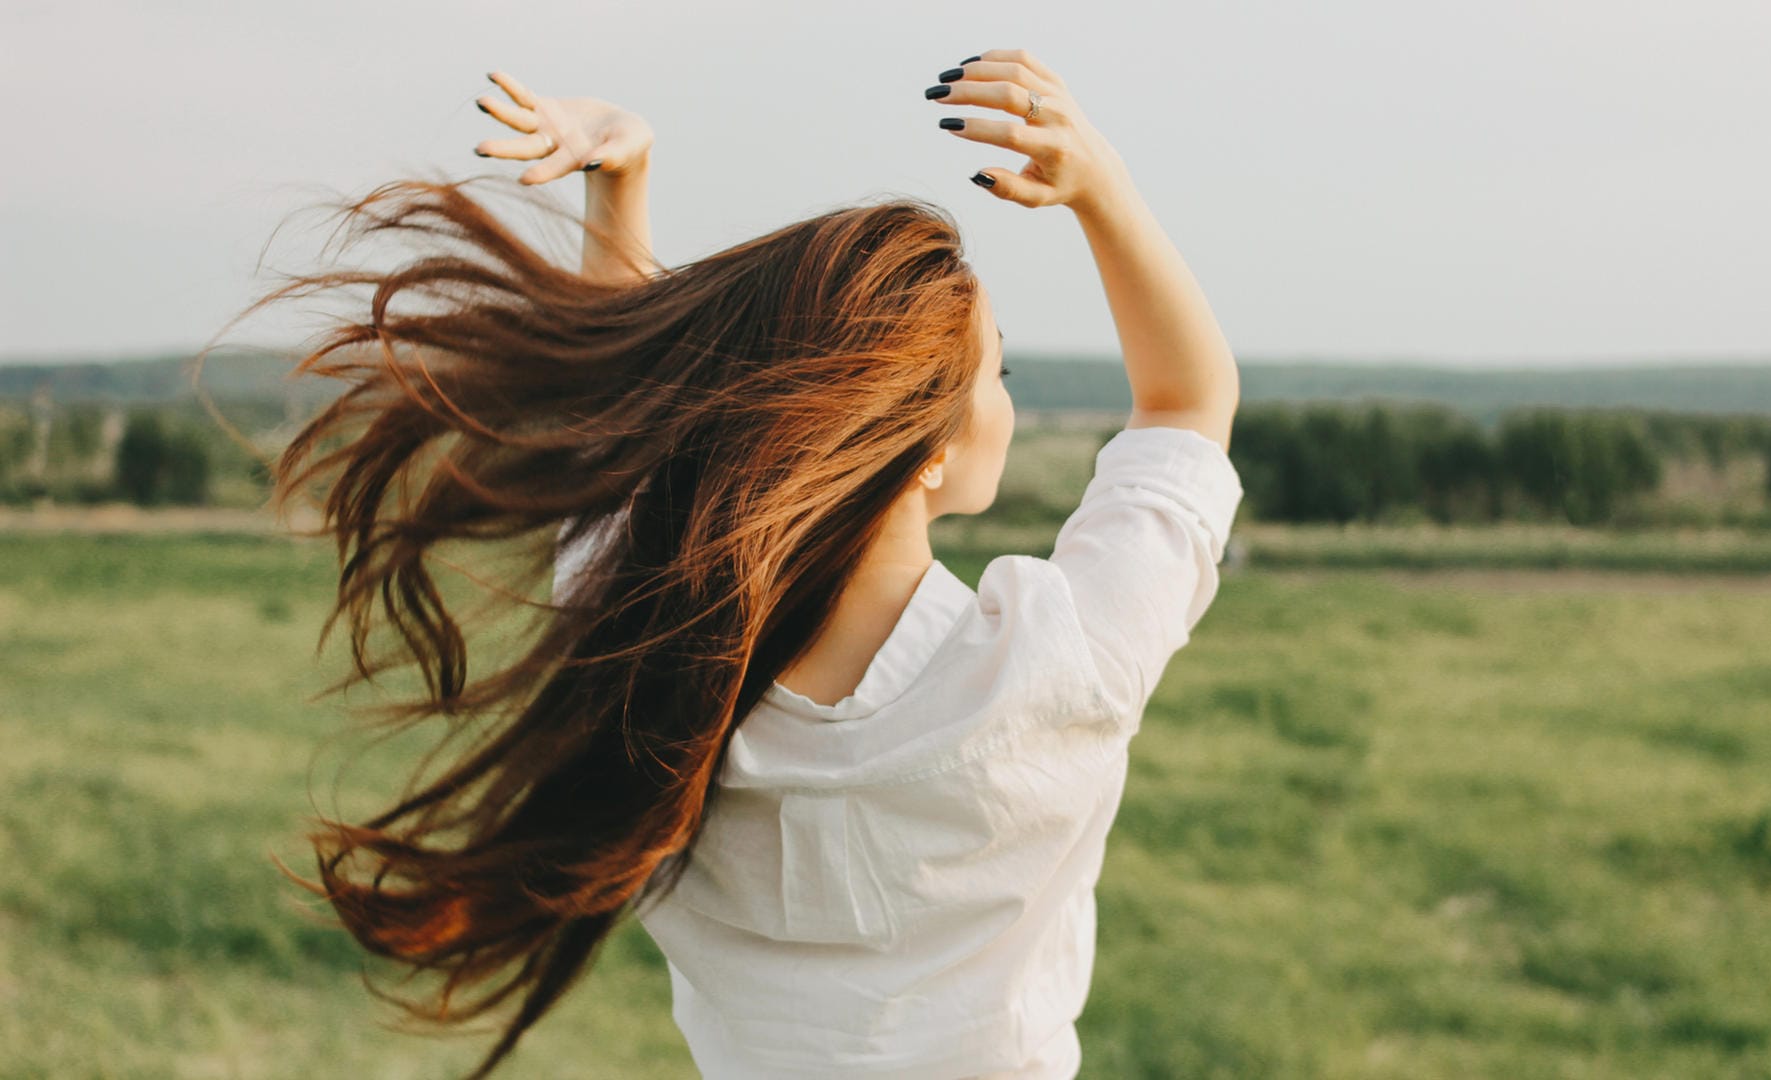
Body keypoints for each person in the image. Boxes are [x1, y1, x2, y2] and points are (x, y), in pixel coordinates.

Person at [264, 48, 1240, 1080]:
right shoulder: (1056, 665)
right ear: (928, 448)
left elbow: (623, 441)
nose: (1007, 394)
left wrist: (621, 184)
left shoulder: (647, 662)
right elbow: (1187, 404)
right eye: (993, 372)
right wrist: (1103, 188)